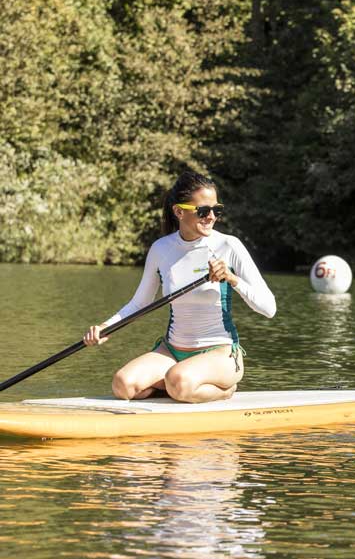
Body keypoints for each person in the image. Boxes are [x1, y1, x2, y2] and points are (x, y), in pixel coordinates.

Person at [83, 171, 277, 402]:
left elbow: (269, 308)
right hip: (173, 351)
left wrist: (232, 280)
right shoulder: (161, 249)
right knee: (123, 385)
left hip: (220, 353)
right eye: (203, 211)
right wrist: (105, 327)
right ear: (179, 211)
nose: (211, 217)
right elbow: (139, 303)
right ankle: (178, 388)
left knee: (178, 380)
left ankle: (224, 390)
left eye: (217, 210)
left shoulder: (228, 246)